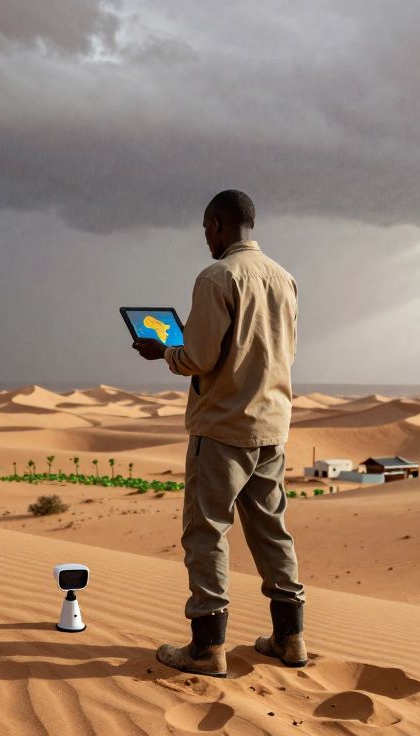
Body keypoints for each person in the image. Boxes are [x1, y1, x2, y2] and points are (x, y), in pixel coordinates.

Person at [131, 189, 306, 677]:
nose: (205, 237)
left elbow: (199, 358)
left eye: (207, 228)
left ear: (218, 223)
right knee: (272, 531)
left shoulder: (217, 276)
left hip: (224, 427)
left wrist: (164, 352)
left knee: (206, 532)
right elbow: (283, 352)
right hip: (272, 426)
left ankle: (207, 648)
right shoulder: (284, 277)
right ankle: (290, 638)